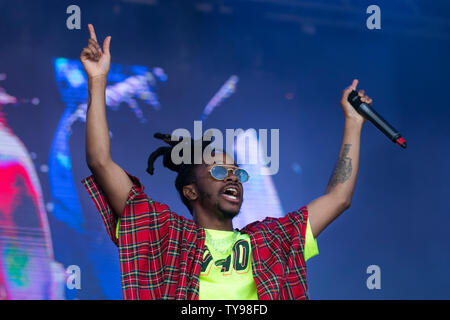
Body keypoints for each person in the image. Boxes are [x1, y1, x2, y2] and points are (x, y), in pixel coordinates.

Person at [80, 24, 372, 300]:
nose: (232, 177)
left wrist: (353, 123)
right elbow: (100, 162)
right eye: (220, 171)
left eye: (236, 173)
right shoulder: (167, 235)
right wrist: (97, 81)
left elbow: (338, 198)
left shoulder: (270, 241)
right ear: (190, 191)